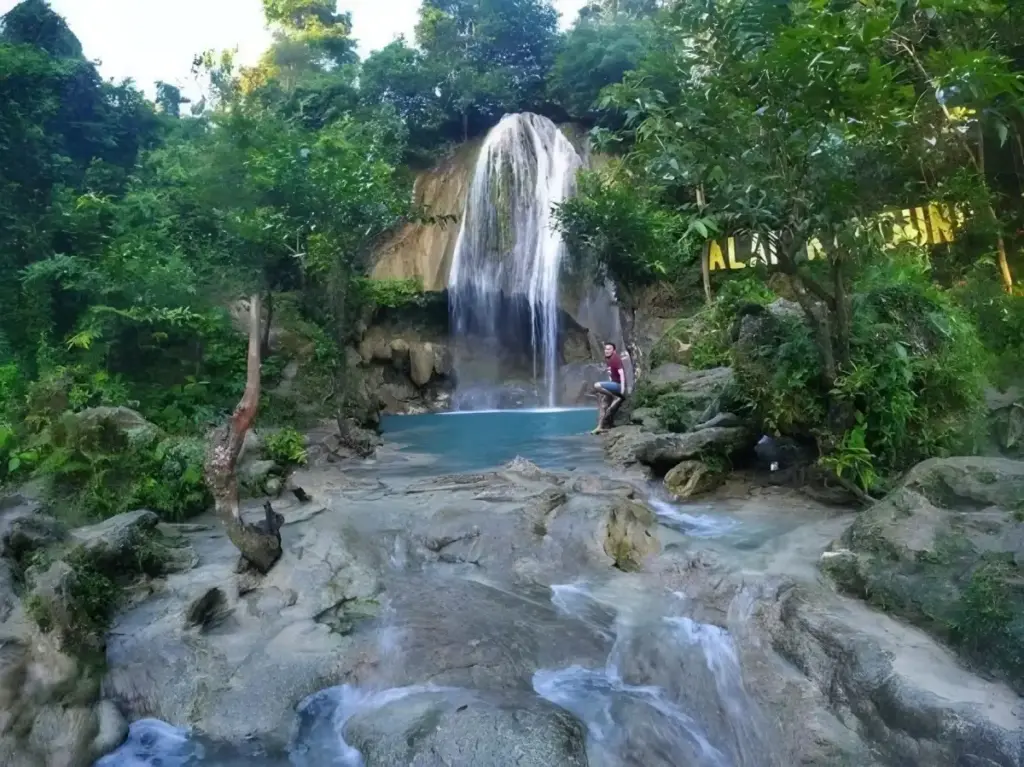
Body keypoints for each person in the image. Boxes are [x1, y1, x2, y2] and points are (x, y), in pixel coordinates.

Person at [592, 342, 626, 434]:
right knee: (603, 406)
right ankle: (599, 427)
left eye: (609, 349)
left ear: (614, 351)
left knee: (597, 385)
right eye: (605, 349)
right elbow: (611, 374)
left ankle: (615, 397)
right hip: (613, 385)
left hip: (618, 386)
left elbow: (622, 373)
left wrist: (622, 389)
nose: (606, 351)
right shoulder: (609, 359)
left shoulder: (616, 359)